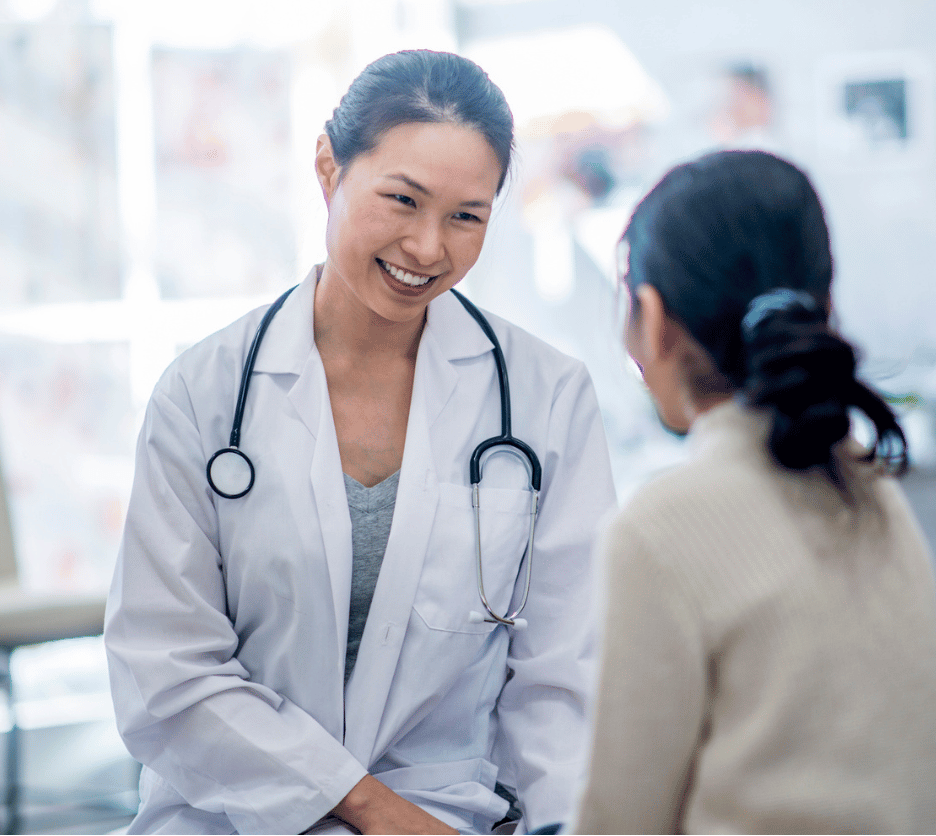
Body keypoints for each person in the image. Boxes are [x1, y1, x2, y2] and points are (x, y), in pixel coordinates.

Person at [104, 50, 617, 835]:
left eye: (465, 216)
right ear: (326, 166)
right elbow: (165, 671)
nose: (426, 248)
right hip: (235, 814)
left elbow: (561, 679)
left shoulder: (545, 399)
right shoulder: (202, 396)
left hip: (454, 816)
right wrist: (371, 811)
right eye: (401, 200)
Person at [571, 150, 936, 833]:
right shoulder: (868, 487)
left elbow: (618, 821)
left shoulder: (662, 530)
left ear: (650, 320)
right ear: (825, 307)